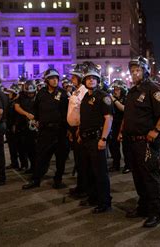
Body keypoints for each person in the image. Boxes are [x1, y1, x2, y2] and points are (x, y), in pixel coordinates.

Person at [120, 56, 160, 228]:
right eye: (132, 70)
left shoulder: (153, 89)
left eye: (137, 70)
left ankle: (155, 212)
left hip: (147, 142)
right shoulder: (132, 91)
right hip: (132, 141)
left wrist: (155, 131)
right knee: (138, 177)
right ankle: (142, 207)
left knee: (150, 177)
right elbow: (128, 116)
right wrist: (122, 131)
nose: (134, 73)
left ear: (145, 71)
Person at [22, 68, 69, 190]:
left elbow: (67, 113)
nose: (54, 80)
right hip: (45, 132)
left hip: (60, 131)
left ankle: (58, 180)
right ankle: (36, 180)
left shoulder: (63, 94)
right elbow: (35, 109)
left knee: (60, 158)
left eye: (56, 78)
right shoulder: (41, 93)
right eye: (52, 78)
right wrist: (35, 120)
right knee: (41, 157)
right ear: (46, 80)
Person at [78, 65, 114, 213]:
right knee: (89, 171)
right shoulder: (86, 97)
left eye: (94, 78)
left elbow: (108, 118)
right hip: (86, 139)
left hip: (97, 139)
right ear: (84, 81)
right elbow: (84, 118)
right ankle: (93, 197)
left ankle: (105, 202)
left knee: (100, 173)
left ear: (98, 80)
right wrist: (80, 134)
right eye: (88, 78)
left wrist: (103, 139)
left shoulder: (103, 96)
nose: (91, 80)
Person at [67, 64, 89, 198]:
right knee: (78, 160)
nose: (72, 78)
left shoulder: (84, 90)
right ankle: (80, 186)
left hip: (80, 129)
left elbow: (84, 112)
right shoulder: (76, 90)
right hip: (73, 129)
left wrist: (80, 129)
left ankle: (84, 189)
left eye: (74, 76)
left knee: (82, 162)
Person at [14, 80, 38, 173]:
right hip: (23, 125)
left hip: (34, 126)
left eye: (32, 93)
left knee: (34, 150)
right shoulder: (21, 96)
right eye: (29, 93)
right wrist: (26, 114)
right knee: (26, 149)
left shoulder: (38, 96)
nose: (30, 94)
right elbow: (17, 107)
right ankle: (31, 167)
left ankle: (36, 169)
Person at [108, 79, 129, 173]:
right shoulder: (112, 98)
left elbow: (123, 109)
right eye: (115, 89)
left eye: (118, 89)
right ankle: (116, 164)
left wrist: (115, 100)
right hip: (114, 124)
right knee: (113, 146)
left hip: (124, 124)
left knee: (126, 147)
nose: (115, 91)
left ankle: (128, 165)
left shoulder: (126, 98)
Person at [5, 84, 22, 170]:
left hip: (14, 128)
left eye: (11, 92)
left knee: (17, 147)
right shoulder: (11, 102)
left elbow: (17, 116)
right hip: (9, 127)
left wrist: (15, 125)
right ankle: (14, 162)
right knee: (12, 147)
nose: (9, 94)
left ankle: (22, 164)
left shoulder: (17, 103)